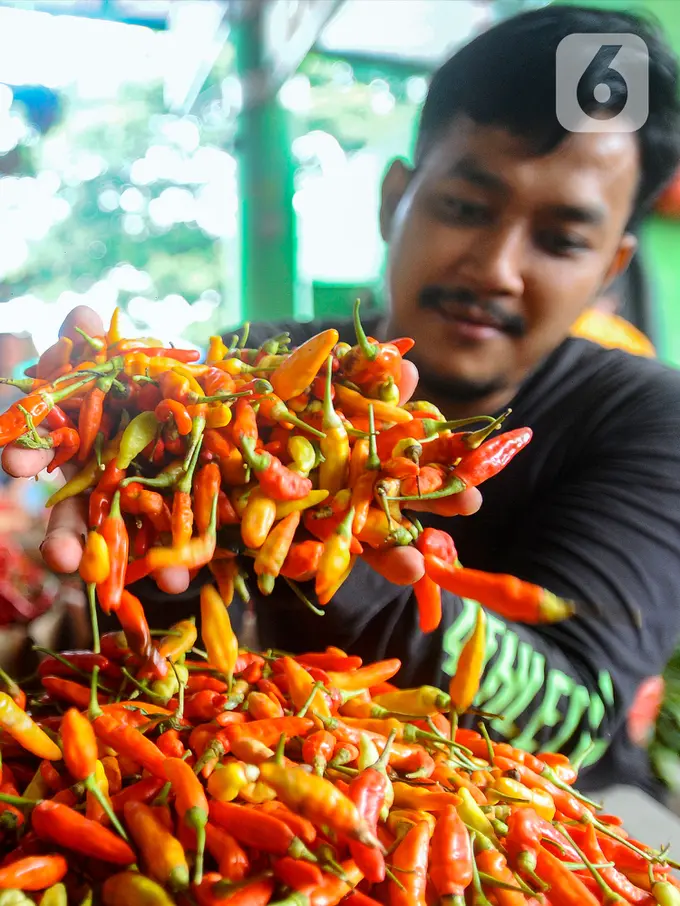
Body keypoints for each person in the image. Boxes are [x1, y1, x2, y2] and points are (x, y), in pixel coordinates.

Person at [4, 4, 680, 798]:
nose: (498, 268)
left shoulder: (649, 419)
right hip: (263, 802)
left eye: (562, 239)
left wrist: (330, 533)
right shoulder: (256, 365)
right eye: (466, 207)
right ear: (395, 198)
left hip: (530, 828)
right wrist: (141, 508)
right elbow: (162, 668)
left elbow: (572, 717)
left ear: (610, 269)